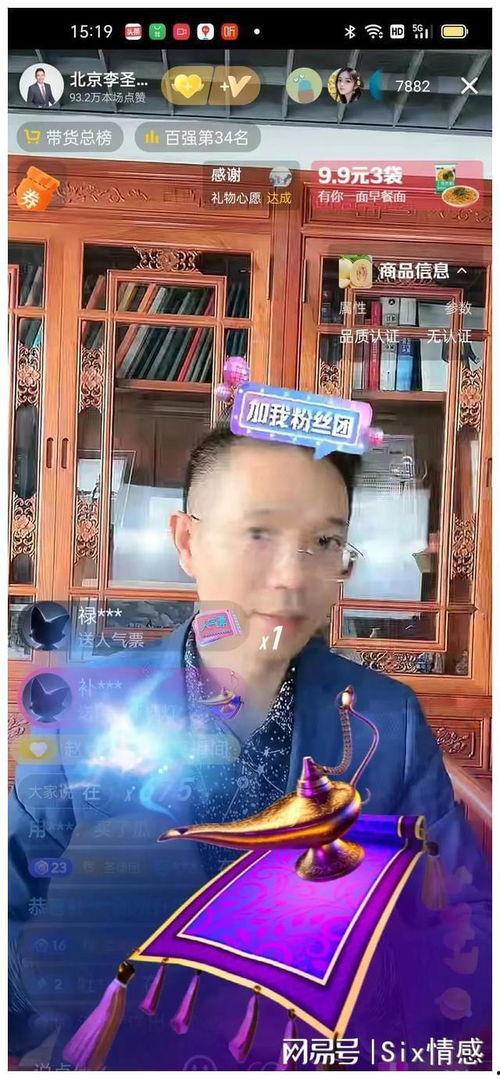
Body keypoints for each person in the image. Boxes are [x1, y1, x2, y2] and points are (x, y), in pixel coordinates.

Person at [8, 420, 491, 1069]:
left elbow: (460, 914)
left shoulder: (387, 719)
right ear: (187, 541)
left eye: (325, 541)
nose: (293, 576)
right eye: (259, 533)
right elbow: (14, 893)